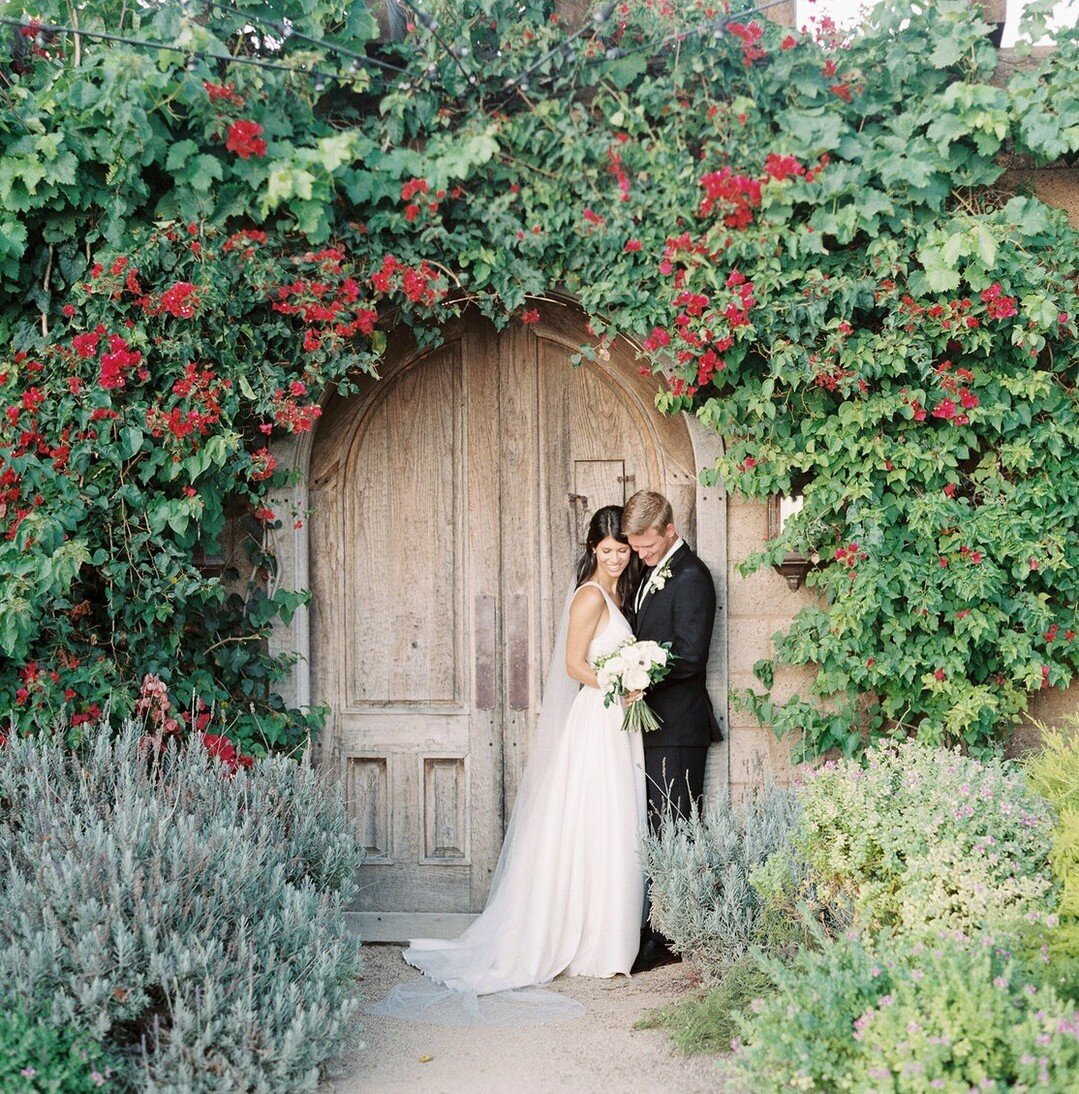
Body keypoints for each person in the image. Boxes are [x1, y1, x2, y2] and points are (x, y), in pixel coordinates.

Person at [372, 506, 646, 1020]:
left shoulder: (616, 593)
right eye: (606, 550)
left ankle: (606, 939)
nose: (614, 558)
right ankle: (587, 942)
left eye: (622, 551)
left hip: (615, 722)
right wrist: (620, 681)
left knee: (613, 822)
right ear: (592, 549)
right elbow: (573, 664)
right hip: (597, 719)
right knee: (599, 818)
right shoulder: (590, 596)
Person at [622, 489, 721, 974]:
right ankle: (658, 928)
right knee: (657, 825)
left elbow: (691, 654)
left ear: (670, 530)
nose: (639, 554)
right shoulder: (654, 572)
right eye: (634, 547)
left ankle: (669, 935)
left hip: (680, 726)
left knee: (676, 828)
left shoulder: (692, 577)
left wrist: (640, 672)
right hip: (655, 725)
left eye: (646, 545)